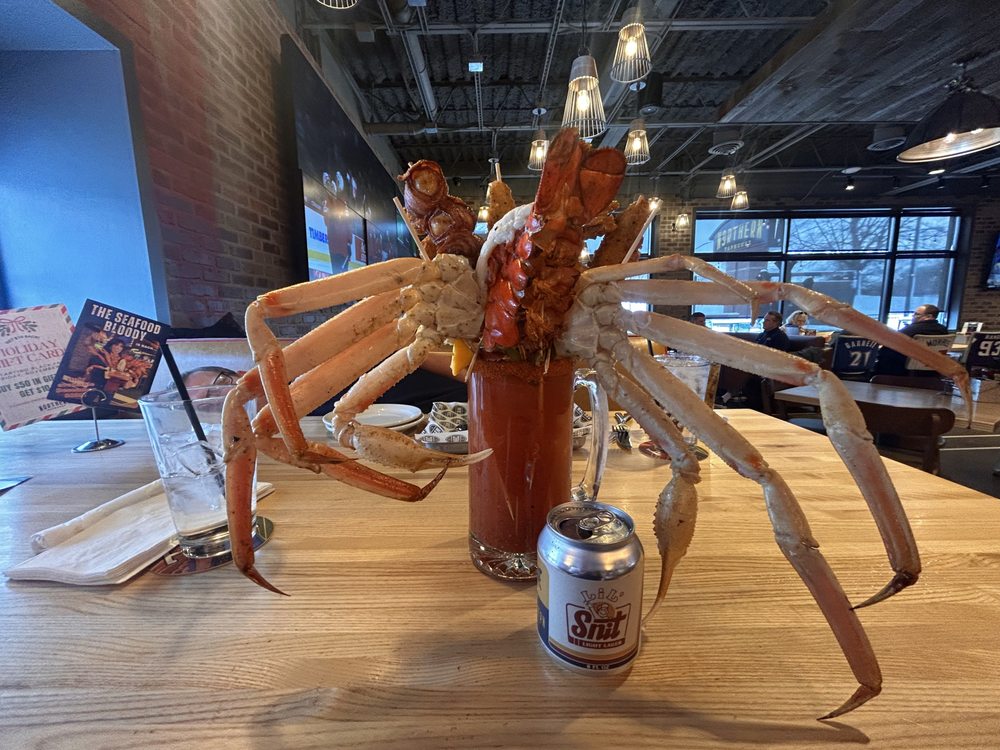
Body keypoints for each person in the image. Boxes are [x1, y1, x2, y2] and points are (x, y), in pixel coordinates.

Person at [874, 304, 949, 376]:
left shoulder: (911, 329)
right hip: (931, 370)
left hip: (902, 370)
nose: (913, 317)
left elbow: (890, 342)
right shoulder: (943, 330)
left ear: (929, 316)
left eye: (917, 314)